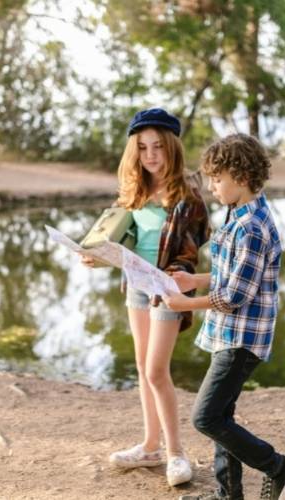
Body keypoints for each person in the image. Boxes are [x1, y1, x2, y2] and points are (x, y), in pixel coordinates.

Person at [163, 133, 285, 500]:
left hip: (242, 340)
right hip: (227, 334)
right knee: (221, 419)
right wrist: (194, 279)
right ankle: (228, 495)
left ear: (240, 177)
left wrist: (185, 303)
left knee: (205, 418)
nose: (211, 187)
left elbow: (236, 295)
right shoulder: (239, 215)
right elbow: (233, 274)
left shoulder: (252, 227)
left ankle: (276, 465)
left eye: (216, 179)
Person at [81, 108, 210, 487]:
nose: (150, 154)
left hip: (166, 288)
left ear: (171, 147)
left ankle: (175, 454)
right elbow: (126, 241)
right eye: (142, 147)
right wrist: (98, 256)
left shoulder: (189, 197)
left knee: (156, 371)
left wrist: (172, 279)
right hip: (136, 287)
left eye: (157, 146)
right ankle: (151, 446)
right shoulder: (134, 193)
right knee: (141, 368)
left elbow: (193, 247)